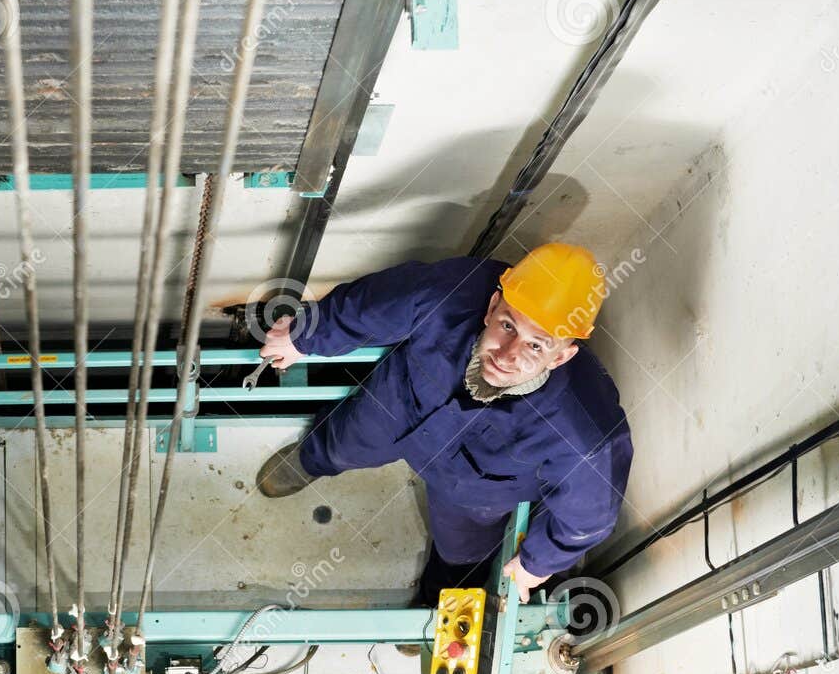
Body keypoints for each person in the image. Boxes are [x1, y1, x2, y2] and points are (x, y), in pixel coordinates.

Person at [255, 243, 632, 604]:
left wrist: (538, 563)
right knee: (341, 442)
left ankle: (435, 606)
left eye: (537, 345)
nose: (508, 354)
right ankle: (309, 462)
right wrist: (305, 337)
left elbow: (590, 516)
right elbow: (372, 305)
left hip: (473, 491)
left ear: (561, 357)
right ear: (492, 306)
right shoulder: (450, 291)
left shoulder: (583, 431)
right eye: (508, 326)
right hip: (401, 406)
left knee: (461, 556)